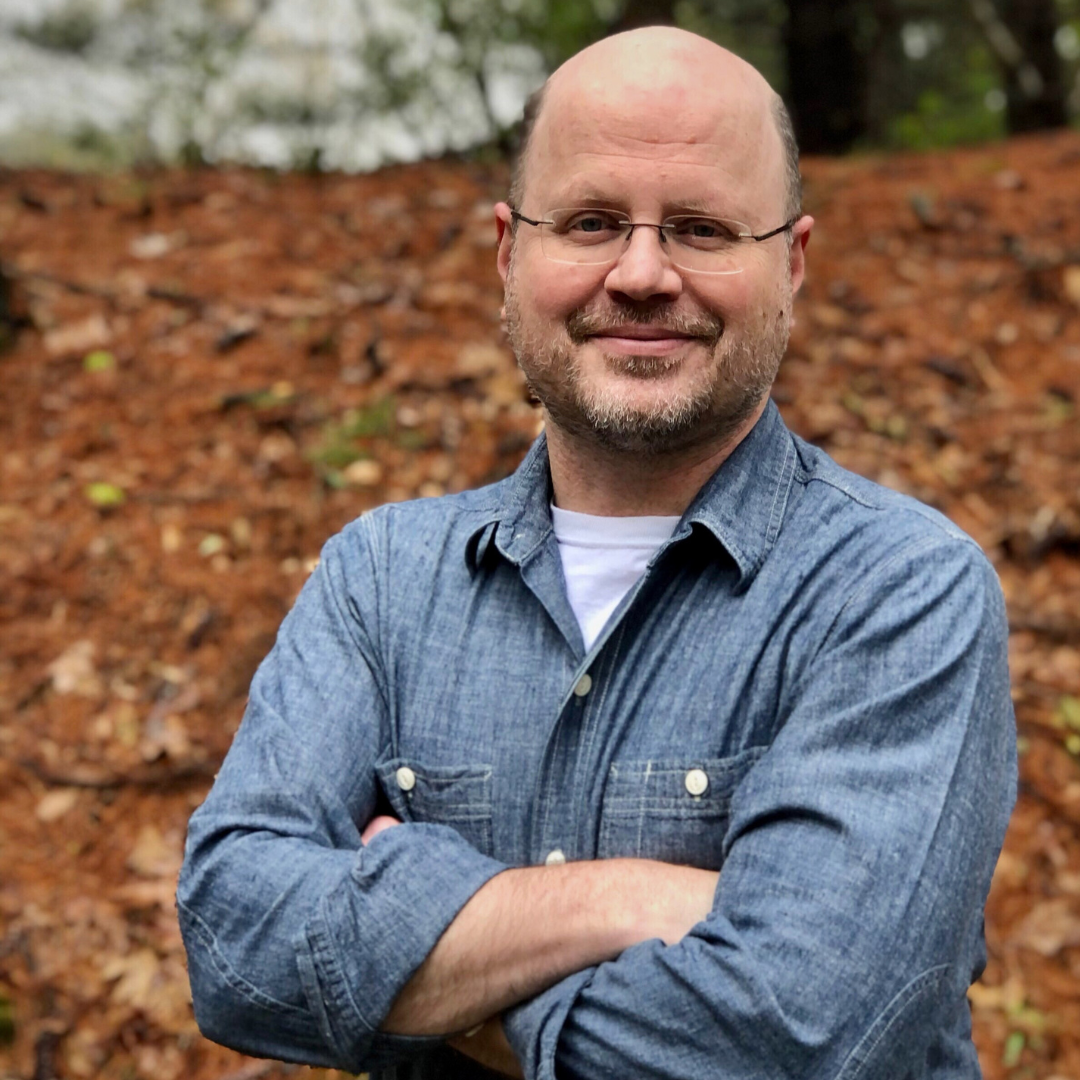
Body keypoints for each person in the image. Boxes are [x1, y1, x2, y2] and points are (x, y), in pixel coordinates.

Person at [178, 26, 1016, 1080]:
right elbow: (235, 948)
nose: (641, 273)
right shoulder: (381, 581)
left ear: (791, 264)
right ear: (508, 251)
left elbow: (800, 1039)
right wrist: (626, 899)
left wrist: (423, 968)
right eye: (589, 221)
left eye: (704, 229)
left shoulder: (899, 592)